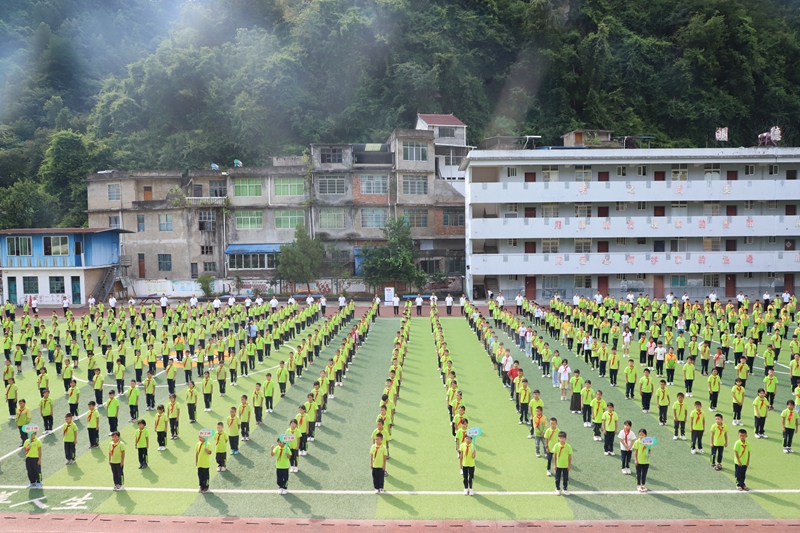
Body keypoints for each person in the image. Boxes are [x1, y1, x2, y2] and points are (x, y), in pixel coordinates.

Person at [553, 431, 572, 496]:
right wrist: (555, 464)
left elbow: (570, 457)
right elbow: (554, 455)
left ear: (565, 439)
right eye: (560, 438)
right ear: (558, 438)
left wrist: (569, 465)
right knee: (557, 478)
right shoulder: (556, 446)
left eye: (563, 438)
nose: (561, 439)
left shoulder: (568, 446)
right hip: (558, 465)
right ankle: (557, 489)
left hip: (565, 466)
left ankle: (565, 489)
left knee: (565, 478)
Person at [632, 428, 652, 493]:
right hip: (639, 461)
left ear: (645, 435)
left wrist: (649, 454)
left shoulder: (648, 442)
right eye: (640, 435)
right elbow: (635, 451)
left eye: (642, 435)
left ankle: (643, 485)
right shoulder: (637, 442)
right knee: (638, 474)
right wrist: (635, 460)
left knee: (644, 474)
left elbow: (649, 449)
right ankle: (638, 485)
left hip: (646, 461)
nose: (641, 436)